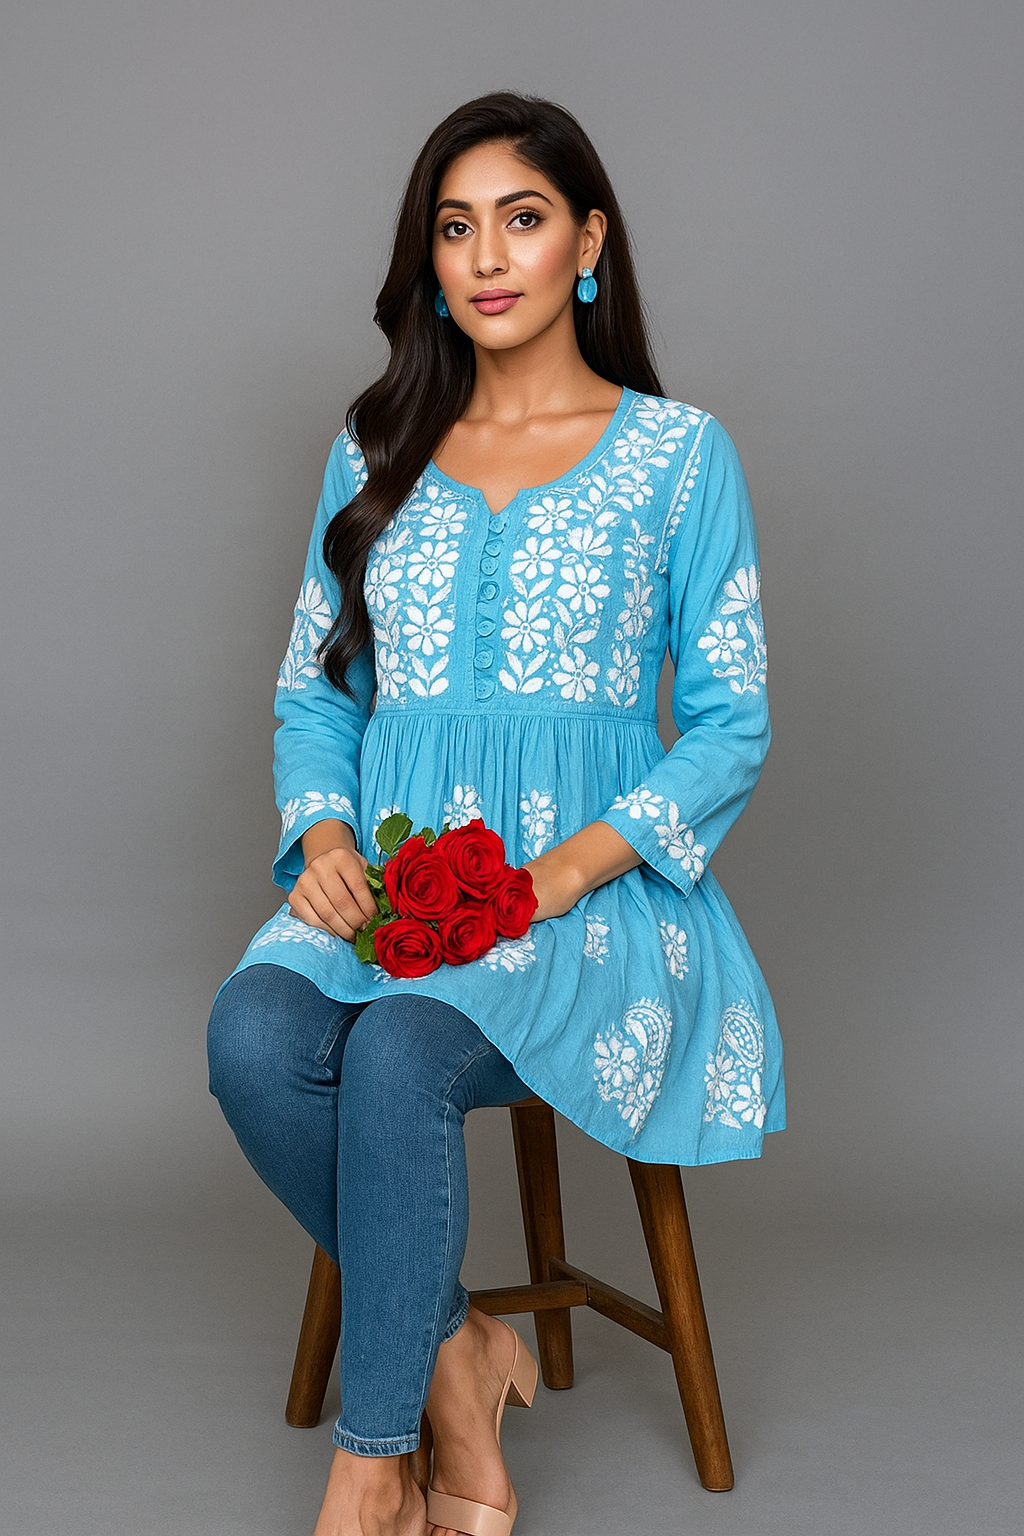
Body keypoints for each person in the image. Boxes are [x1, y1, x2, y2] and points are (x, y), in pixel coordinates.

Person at [207, 90, 784, 1536]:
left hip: (594, 903)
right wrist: (324, 839)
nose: (484, 256)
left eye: (521, 220)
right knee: (256, 1038)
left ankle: (375, 1469)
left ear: (587, 242)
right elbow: (315, 690)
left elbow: (731, 724)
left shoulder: (678, 455)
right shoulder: (374, 447)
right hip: (397, 886)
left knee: (402, 1049)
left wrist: (562, 874)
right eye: (454, 227)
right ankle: (461, 1346)